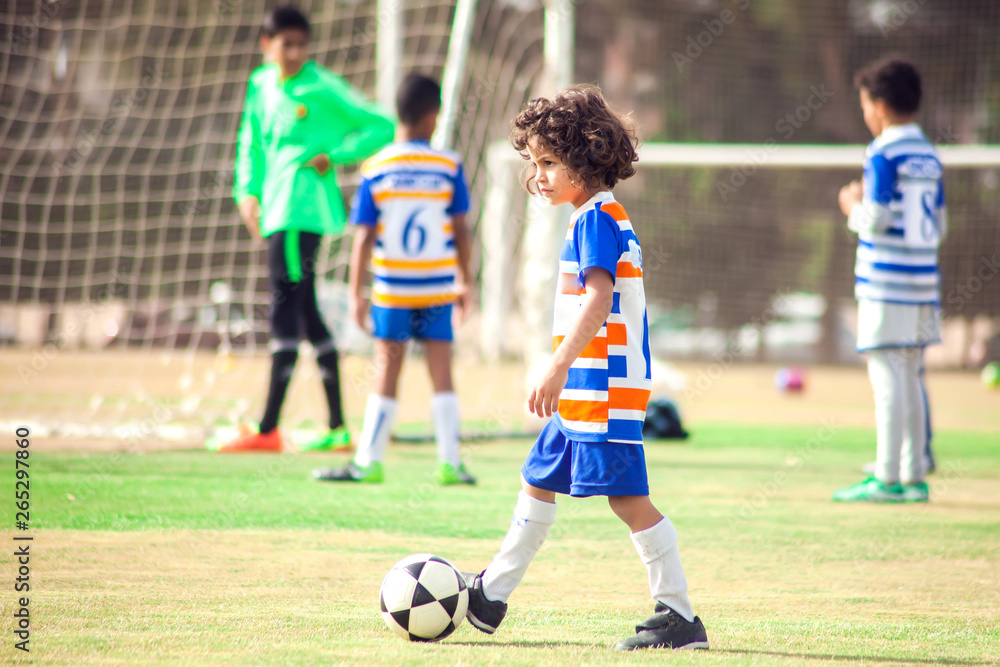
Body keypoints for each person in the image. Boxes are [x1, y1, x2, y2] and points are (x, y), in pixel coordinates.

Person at [461, 85, 709, 651]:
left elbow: (598, 301)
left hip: (602, 390)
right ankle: (490, 597)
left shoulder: (598, 218)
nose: (539, 174)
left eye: (549, 161)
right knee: (536, 480)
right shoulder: (588, 217)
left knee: (628, 501)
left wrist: (555, 367)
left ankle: (678, 616)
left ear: (587, 155)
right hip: (583, 392)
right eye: (534, 163)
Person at [217, 5, 395, 453]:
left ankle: (267, 428)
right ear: (267, 44)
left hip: (302, 213)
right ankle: (336, 427)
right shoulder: (260, 84)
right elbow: (250, 141)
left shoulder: (321, 85)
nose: (294, 52)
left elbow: (381, 125)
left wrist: (333, 155)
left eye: (301, 44)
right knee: (308, 313)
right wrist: (247, 193)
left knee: (285, 310)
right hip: (275, 211)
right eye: (286, 44)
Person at [312, 74, 476, 485]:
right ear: (433, 116)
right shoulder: (448, 165)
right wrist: (466, 281)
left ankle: (369, 461)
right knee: (442, 371)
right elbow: (461, 228)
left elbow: (363, 235)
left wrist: (356, 294)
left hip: (392, 289)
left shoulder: (376, 167)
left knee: (387, 370)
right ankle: (450, 463)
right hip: (437, 286)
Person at [834, 58, 945, 502]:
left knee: (886, 380)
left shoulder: (882, 151)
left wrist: (851, 207)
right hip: (923, 283)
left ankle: (887, 478)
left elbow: (876, 220)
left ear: (877, 105)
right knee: (911, 375)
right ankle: (914, 474)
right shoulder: (930, 154)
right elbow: (939, 224)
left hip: (886, 284)